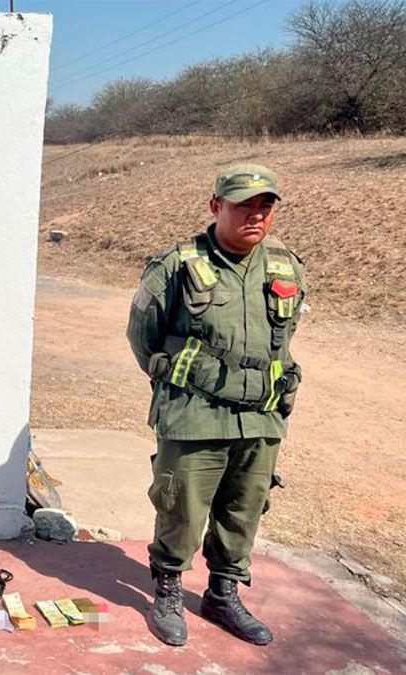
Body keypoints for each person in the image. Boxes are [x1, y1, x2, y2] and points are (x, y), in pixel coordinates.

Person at [126, 164, 305, 647]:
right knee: (181, 505)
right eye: (243, 205)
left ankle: (223, 595)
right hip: (194, 412)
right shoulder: (177, 265)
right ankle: (167, 590)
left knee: (245, 507)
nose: (255, 214)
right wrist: (180, 379)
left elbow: (283, 338)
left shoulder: (285, 266)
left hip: (261, 414)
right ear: (215, 206)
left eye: (265, 205)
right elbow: (143, 337)